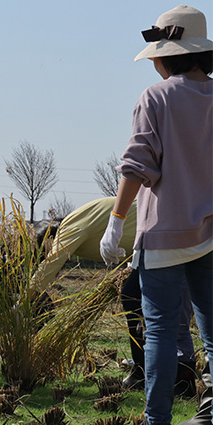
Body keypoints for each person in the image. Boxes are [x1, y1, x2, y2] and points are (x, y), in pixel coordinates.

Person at [99, 6, 212, 424]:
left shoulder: (157, 97)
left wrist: (115, 222)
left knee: (161, 332)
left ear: (167, 55)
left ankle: (156, 419)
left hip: (164, 235)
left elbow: (137, 165)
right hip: (211, 235)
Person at [32, 197, 197, 395]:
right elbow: (130, 234)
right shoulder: (77, 221)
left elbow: (50, 265)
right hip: (151, 240)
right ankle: (143, 369)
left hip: (170, 236)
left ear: (49, 240)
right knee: (132, 295)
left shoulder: (68, 229)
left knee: (170, 306)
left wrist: (24, 301)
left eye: (43, 252)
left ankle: (181, 378)